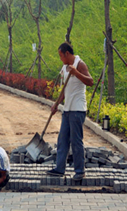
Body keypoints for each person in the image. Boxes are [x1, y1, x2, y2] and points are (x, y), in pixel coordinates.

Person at [47, 42, 94, 181]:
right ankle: (59, 169)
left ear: (67, 54)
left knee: (76, 141)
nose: (60, 58)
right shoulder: (64, 67)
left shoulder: (80, 64)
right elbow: (65, 90)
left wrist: (76, 73)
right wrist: (56, 104)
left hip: (77, 110)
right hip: (67, 110)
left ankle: (80, 171)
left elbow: (90, 81)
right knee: (62, 140)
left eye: (61, 55)